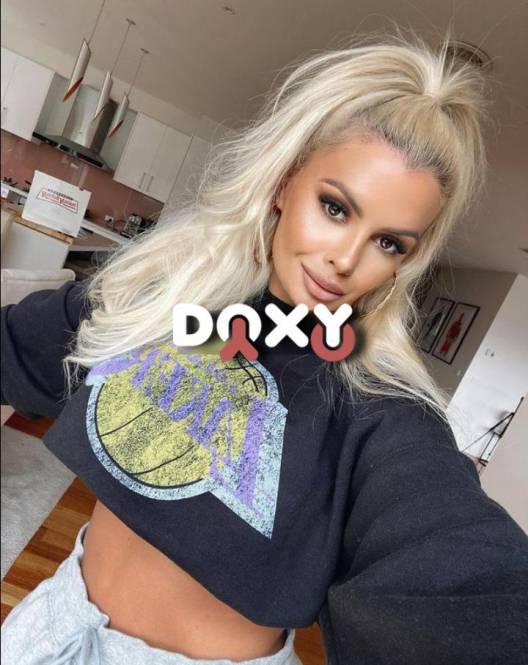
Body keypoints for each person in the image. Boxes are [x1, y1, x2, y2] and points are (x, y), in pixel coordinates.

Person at [2, 28, 528, 665]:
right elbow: (15, 343)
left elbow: (457, 565)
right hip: (53, 624)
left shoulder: (379, 410)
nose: (346, 259)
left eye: (389, 243)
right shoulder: (168, 302)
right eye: (335, 208)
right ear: (285, 184)